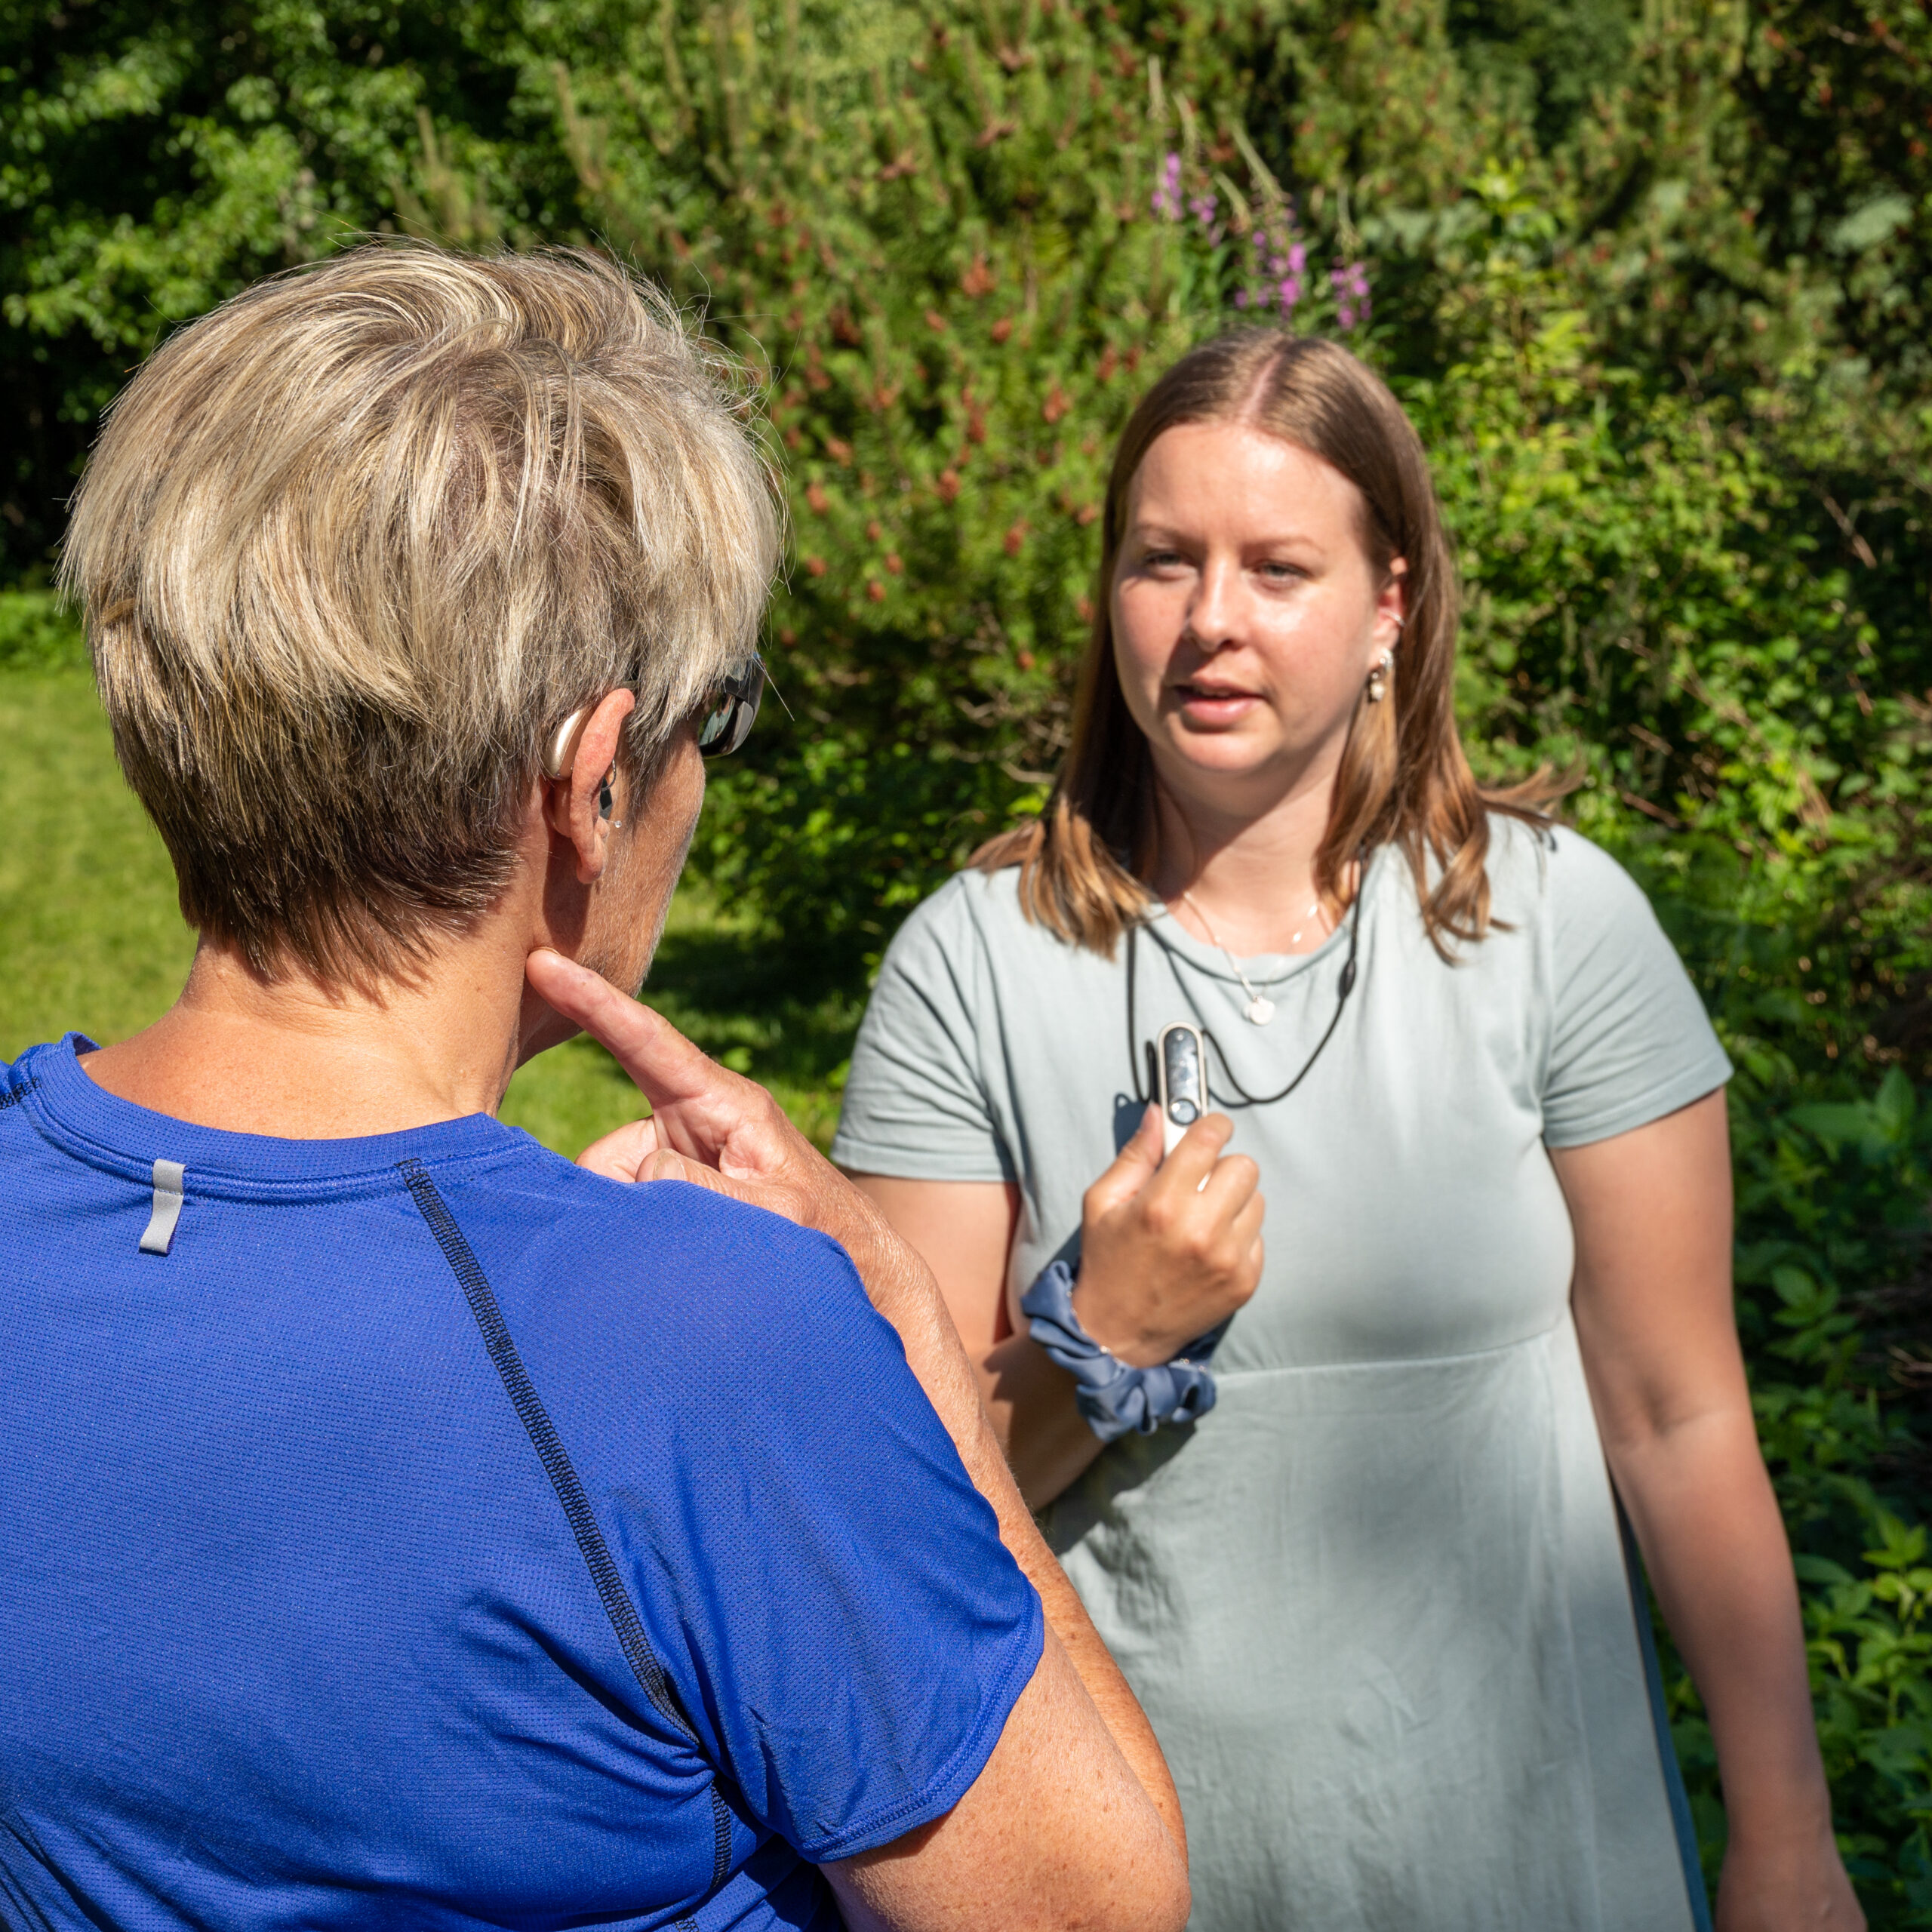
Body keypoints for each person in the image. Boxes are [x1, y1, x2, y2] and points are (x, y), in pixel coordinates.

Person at [0, 243, 1192, 1932]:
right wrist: (900, 1322)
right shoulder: (709, 1341)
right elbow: (1092, 1908)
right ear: (588, 781)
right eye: (715, 715)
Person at [833, 330, 1864, 1931]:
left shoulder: (1553, 925)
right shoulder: (972, 962)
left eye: (1278, 567)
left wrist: (1784, 1841)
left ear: (1391, 605)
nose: (1210, 620)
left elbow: (1676, 1417)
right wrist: (1097, 1335)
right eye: (1160, 561)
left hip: (1540, 1856)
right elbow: (908, 1506)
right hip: (1142, 1870)